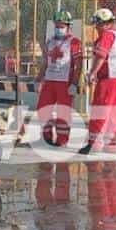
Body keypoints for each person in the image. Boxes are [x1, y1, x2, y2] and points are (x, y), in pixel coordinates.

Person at [78, 8, 116, 155]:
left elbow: (101, 56)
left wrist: (92, 73)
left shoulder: (107, 35)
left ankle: (93, 144)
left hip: (109, 79)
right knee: (114, 111)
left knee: (100, 109)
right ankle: (111, 144)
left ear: (106, 24)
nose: (96, 28)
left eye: (98, 24)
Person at [36, 10, 83, 147]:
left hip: (65, 82)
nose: (58, 28)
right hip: (49, 81)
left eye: (62, 26)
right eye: (57, 25)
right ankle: (47, 137)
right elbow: (45, 62)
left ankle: (62, 140)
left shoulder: (74, 42)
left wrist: (74, 83)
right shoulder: (50, 41)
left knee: (63, 112)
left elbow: (78, 65)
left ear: (68, 27)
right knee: (43, 109)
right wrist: (39, 79)